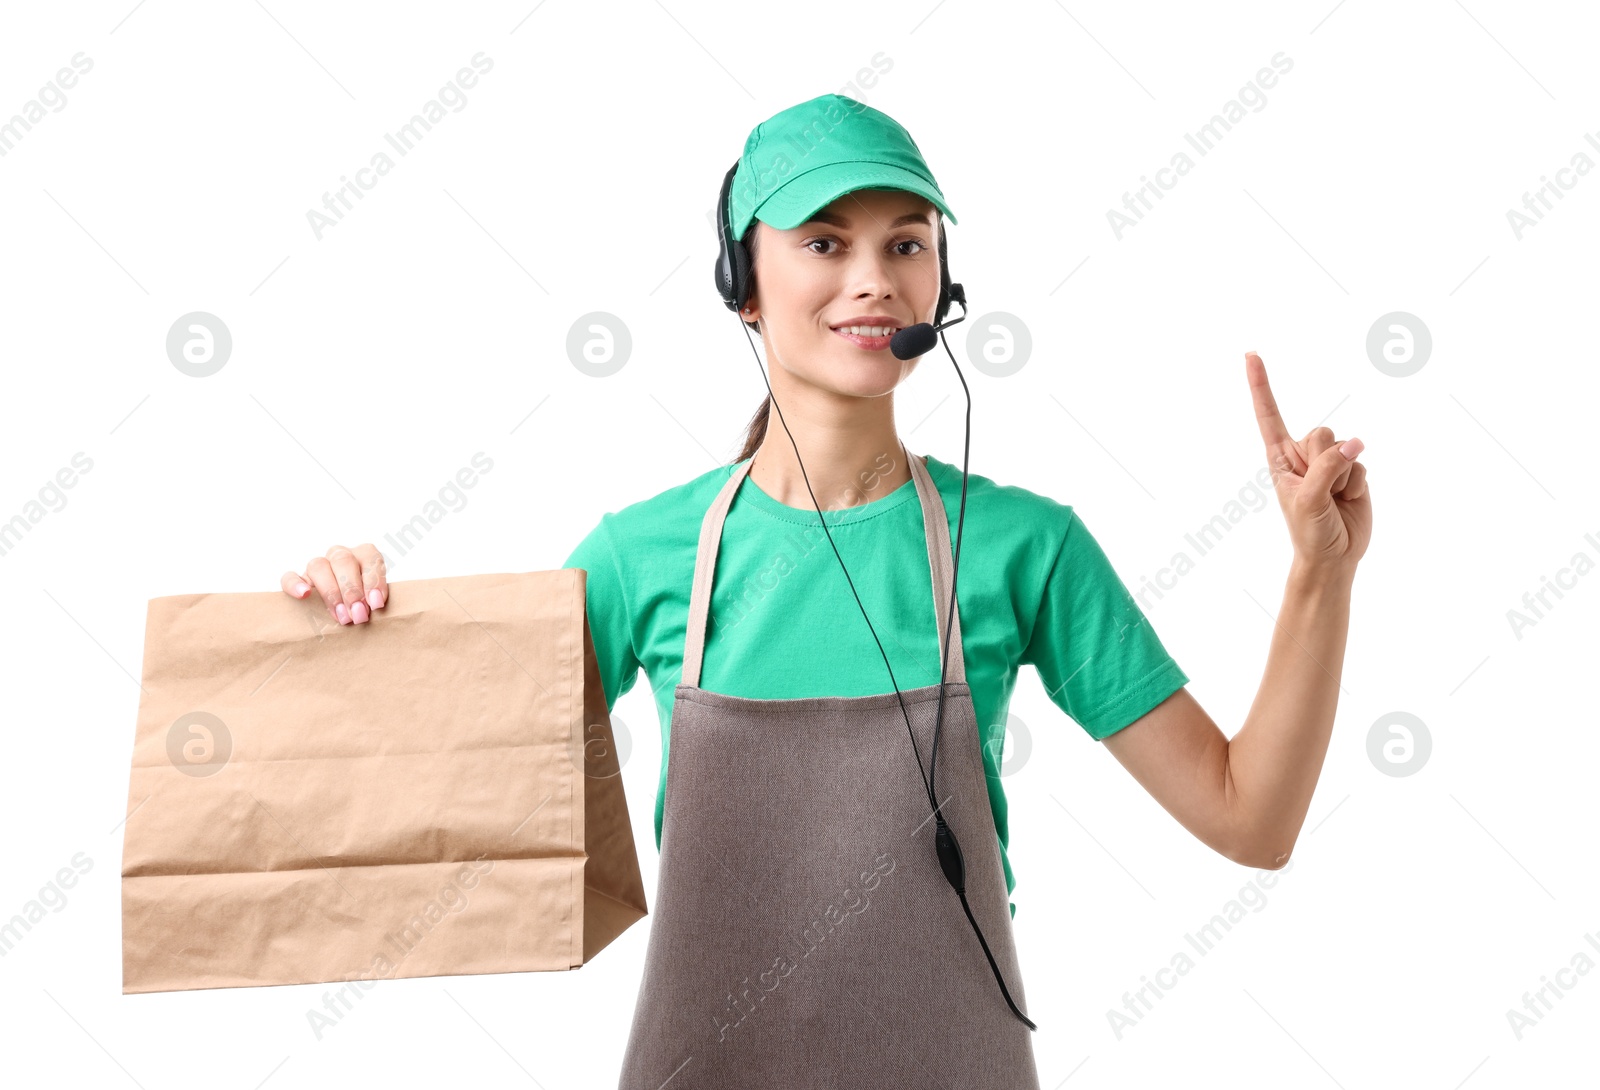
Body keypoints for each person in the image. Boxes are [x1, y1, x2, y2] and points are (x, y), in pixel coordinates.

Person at [276, 94, 1371, 1088]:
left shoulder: (1022, 547)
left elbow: (1249, 818)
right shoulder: (637, 556)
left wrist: (1319, 575)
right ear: (741, 287)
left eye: (906, 242)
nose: (872, 277)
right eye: (822, 242)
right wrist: (353, 630)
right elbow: (441, 810)